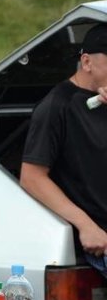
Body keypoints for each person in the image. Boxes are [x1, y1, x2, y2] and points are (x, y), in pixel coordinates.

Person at [21, 22, 107, 276]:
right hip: (100, 236)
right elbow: (32, 177)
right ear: (87, 62)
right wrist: (86, 226)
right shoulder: (57, 106)